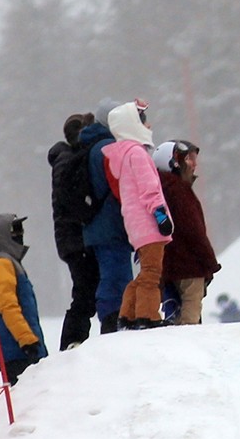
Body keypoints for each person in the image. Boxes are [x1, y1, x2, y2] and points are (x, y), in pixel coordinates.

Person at [101, 100, 172, 328]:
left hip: (134, 225)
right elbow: (149, 188)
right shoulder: (137, 154)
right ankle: (147, 316)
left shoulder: (121, 156)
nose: (148, 125)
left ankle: (128, 314)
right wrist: (161, 215)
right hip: (148, 222)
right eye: (143, 121)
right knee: (152, 272)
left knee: (143, 273)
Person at [79, 98, 134, 334]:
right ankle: (114, 318)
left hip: (97, 225)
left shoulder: (92, 145)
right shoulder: (108, 147)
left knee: (113, 273)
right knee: (116, 274)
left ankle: (115, 315)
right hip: (110, 223)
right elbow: (120, 185)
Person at [153, 140, 220, 325]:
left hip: (168, 264)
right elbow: (193, 230)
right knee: (190, 316)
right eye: (189, 159)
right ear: (173, 162)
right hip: (189, 264)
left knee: (173, 313)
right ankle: (187, 347)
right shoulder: (179, 191)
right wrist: (210, 262)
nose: (194, 164)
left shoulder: (159, 189)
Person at [47, 113, 98, 349]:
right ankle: (73, 340)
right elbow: (69, 198)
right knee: (84, 293)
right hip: (75, 240)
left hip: (71, 239)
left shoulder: (65, 158)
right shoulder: (67, 160)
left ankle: (75, 340)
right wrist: (89, 213)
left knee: (85, 291)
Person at [0, 212, 47, 385]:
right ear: (3, 236)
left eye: (20, 229)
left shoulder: (9, 262)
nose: (20, 235)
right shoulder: (1, 264)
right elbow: (7, 306)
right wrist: (27, 340)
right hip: (16, 350)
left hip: (18, 348)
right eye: (15, 231)